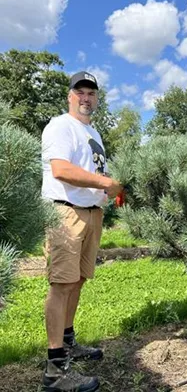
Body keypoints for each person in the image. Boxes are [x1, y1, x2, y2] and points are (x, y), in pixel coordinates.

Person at [41, 71, 122, 391]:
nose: (86, 97)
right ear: (69, 96)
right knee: (61, 284)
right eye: (80, 92)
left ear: (97, 99)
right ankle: (54, 369)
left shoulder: (95, 133)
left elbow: (95, 172)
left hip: (92, 213)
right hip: (65, 212)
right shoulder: (61, 125)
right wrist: (106, 183)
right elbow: (61, 169)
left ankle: (68, 341)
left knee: (77, 280)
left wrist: (111, 190)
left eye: (91, 93)